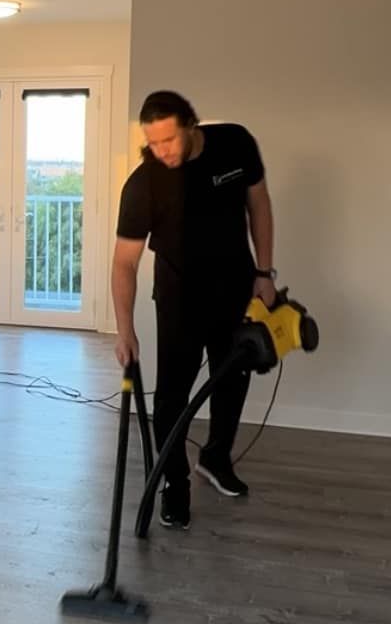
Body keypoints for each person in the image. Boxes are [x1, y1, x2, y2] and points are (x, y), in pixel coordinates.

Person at [112, 90, 277, 527]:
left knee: (232, 380)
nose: (161, 151)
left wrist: (265, 272)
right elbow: (124, 263)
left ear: (191, 125)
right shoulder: (144, 184)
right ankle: (176, 483)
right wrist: (124, 329)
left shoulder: (235, 143)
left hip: (236, 286)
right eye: (153, 142)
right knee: (171, 398)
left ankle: (216, 459)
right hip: (179, 296)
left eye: (169, 140)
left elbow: (258, 203)